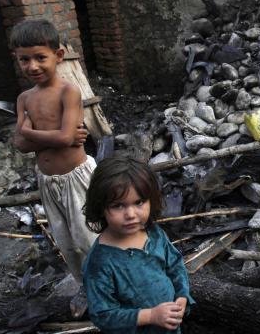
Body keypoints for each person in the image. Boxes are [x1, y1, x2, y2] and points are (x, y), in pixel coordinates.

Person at [11, 19, 95, 282]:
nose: (32, 66)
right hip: (47, 181)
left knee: (89, 236)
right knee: (66, 241)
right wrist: (59, 138)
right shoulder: (24, 98)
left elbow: (63, 136)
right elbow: (20, 145)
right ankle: (86, 286)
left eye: (40, 57)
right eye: (24, 59)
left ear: (58, 56)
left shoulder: (68, 92)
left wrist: (29, 131)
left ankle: (110, 283)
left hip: (76, 178)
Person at [82, 157, 194, 333]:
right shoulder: (100, 262)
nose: (131, 214)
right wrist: (150, 316)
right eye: (118, 206)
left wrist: (182, 296)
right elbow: (103, 315)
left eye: (139, 202)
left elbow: (175, 264)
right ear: (101, 207)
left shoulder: (153, 233)